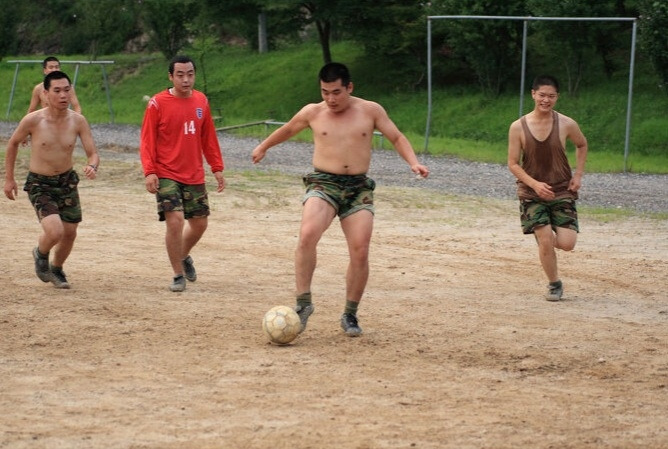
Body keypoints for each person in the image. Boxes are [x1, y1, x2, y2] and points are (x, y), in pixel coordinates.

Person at [251, 62, 430, 337]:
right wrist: (263, 146)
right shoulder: (313, 112)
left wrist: (413, 163)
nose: (331, 99)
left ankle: (350, 313)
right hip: (324, 183)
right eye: (325, 92)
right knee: (307, 234)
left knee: (360, 249)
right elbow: (288, 129)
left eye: (336, 92)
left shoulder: (371, 110)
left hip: (358, 187)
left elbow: (396, 136)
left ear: (349, 87)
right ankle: (303, 304)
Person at [3, 70, 100, 289]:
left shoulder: (78, 121)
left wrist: (92, 166)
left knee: (70, 232)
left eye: (67, 90)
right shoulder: (33, 120)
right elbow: (12, 144)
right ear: (45, 94)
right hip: (40, 183)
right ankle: (40, 253)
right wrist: (9, 179)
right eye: (57, 91)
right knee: (55, 231)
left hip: (67, 182)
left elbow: (92, 153)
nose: (63, 95)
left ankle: (57, 268)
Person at [140, 54, 225, 293]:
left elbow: (208, 137)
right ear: (170, 76)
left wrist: (216, 168)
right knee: (175, 220)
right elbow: (147, 140)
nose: (186, 79)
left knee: (199, 224)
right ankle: (177, 274)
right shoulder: (157, 103)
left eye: (190, 74)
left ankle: (183, 255)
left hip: (194, 173)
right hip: (166, 172)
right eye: (180, 75)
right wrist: (150, 171)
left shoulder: (201, 101)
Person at [507, 75, 588, 301]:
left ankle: (543, 236)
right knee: (544, 238)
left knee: (567, 244)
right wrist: (534, 184)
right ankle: (554, 284)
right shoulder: (518, 127)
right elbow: (512, 163)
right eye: (542, 95)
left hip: (562, 190)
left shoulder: (566, 123)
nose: (546, 100)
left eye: (551, 96)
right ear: (533, 94)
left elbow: (582, 144)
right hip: (531, 192)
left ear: (557, 97)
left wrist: (578, 174)